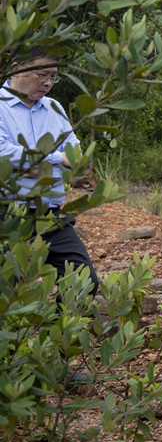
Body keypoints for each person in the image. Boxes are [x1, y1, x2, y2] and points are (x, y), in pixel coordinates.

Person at [0, 46, 100, 302]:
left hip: (50, 215)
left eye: (53, 77)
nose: (48, 83)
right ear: (17, 68)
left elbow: (77, 154)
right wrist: (57, 159)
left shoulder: (54, 107)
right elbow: (4, 153)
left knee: (83, 280)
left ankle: (56, 339)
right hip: (8, 214)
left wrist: (35, 165)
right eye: (42, 74)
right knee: (6, 292)